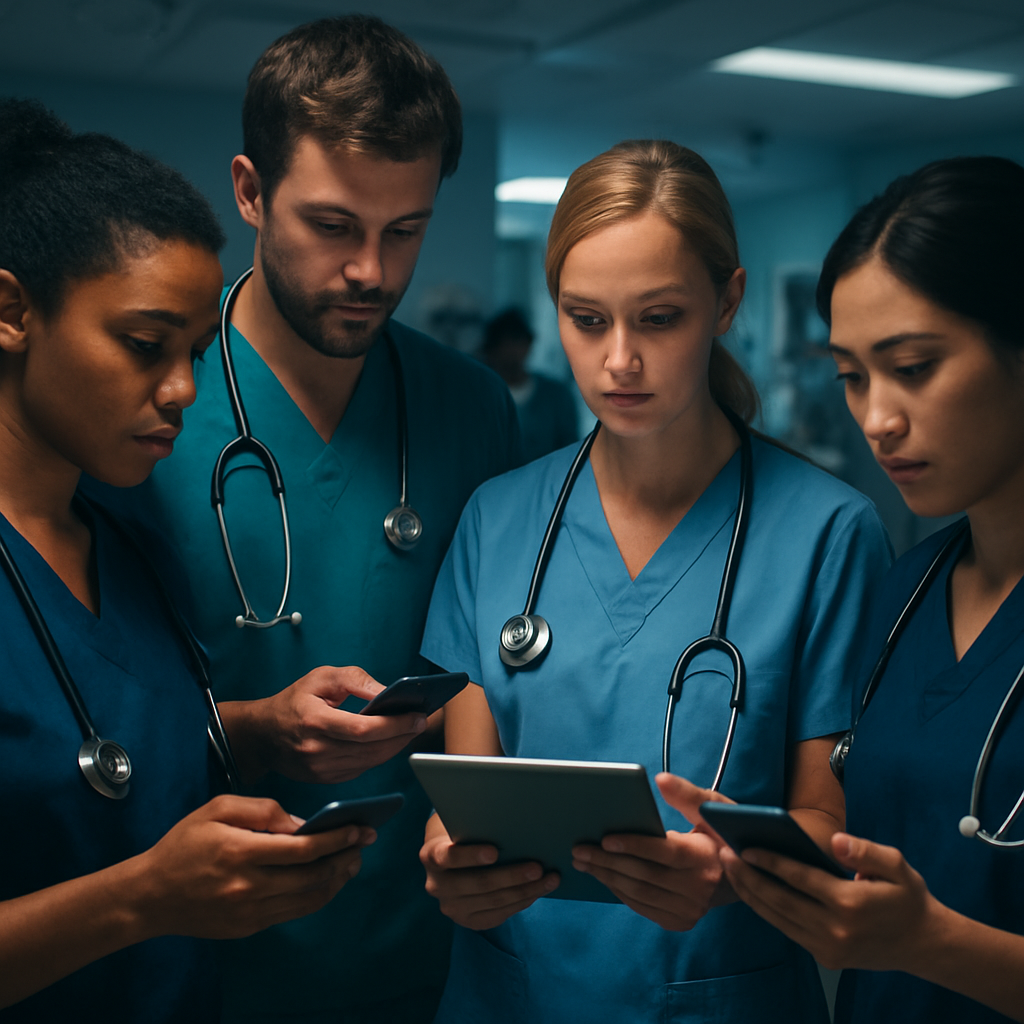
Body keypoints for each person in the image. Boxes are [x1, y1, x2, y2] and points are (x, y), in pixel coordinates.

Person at [88, 15, 520, 1024]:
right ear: (249, 191)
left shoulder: (472, 408)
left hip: (420, 948)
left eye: (404, 229)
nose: (371, 269)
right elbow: (79, 719)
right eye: (333, 226)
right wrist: (256, 731)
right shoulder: (147, 403)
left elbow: (499, 680)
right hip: (198, 962)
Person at [417, 139, 892, 1023]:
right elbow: (466, 789)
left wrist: (729, 878)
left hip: (719, 997)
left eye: (660, 318)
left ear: (728, 302)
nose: (619, 361)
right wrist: (451, 863)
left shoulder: (829, 534)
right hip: (509, 994)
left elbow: (833, 827)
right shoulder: (498, 519)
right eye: (586, 318)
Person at [0, 100, 370, 1023]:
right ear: (10, 312)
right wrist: (143, 898)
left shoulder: (125, 543)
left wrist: (255, 730)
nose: (180, 392)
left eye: (197, 354)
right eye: (142, 345)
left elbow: (118, 742)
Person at [717, 156, 1024, 1023]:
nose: (876, 418)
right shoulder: (905, 595)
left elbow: (921, 926)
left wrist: (927, 943)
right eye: (853, 375)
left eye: (914, 367)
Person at [481, 308, 579, 461]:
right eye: (504, 344)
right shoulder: (481, 395)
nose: (511, 351)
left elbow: (570, 450)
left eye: (516, 342)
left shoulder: (556, 395)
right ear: (491, 349)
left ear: (529, 344)